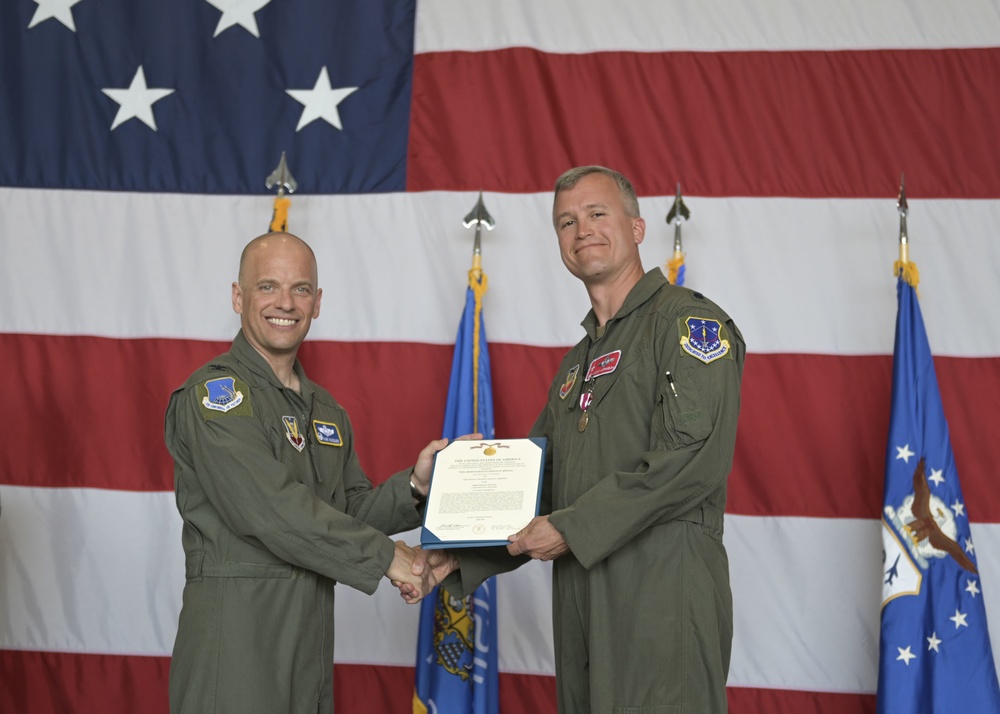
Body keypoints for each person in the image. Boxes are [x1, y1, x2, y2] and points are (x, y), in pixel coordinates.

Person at [405, 166, 745, 713]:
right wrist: (458, 560)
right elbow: (534, 486)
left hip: (662, 596)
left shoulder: (689, 324)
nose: (581, 228)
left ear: (636, 228)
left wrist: (569, 528)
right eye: (566, 221)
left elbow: (691, 459)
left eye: (596, 213)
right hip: (582, 602)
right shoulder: (576, 365)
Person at [164, 232, 445, 714]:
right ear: (238, 297)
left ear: (317, 303)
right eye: (267, 286)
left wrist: (416, 485)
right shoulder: (216, 395)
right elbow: (269, 510)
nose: (285, 303)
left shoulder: (326, 410)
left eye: (300, 289)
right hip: (236, 643)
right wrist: (387, 559)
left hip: (309, 644)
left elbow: (346, 512)